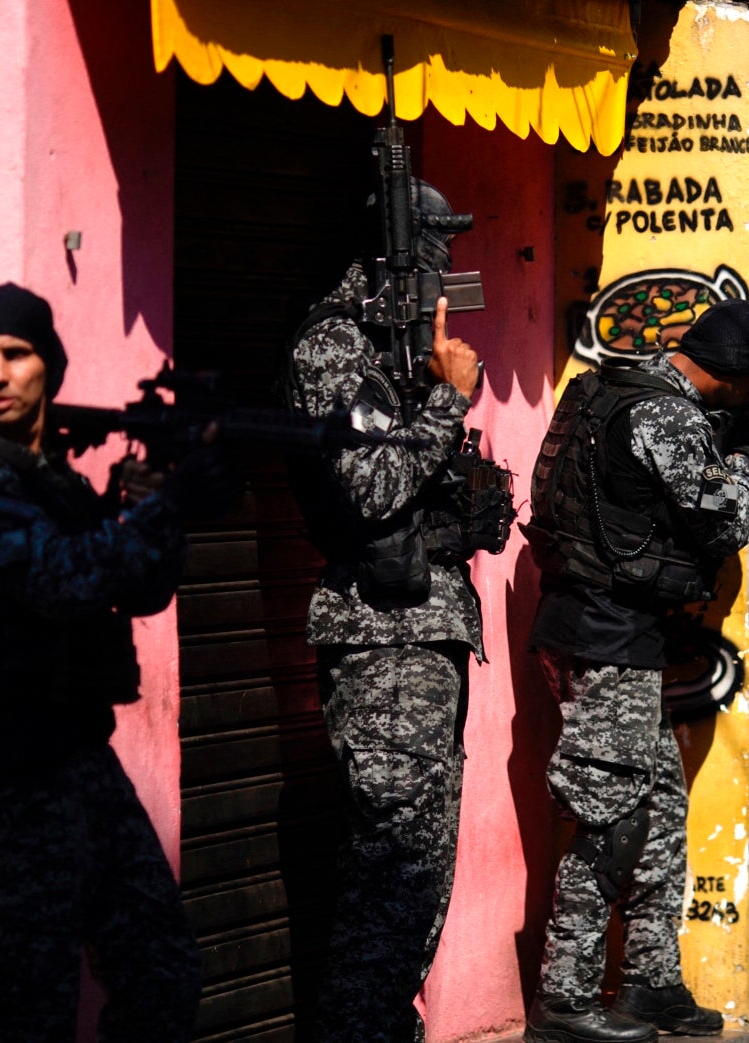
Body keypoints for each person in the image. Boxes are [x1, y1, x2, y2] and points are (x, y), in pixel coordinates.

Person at [0, 283, 226, 1041]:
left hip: (79, 759)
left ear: (50, 366)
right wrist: (162, 504)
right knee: (28, 1012)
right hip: (16, 777)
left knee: (161, 971)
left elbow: (138, 587)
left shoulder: (45, 480)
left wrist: (156, 497)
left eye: (16, 354)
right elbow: (58, 582)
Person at [522, 297, 749, 1043]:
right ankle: (564, 998)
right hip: (603, 634)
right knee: (610, 820)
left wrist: (729, 431)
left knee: (657, 812)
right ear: (732, 375)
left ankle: (650, 981)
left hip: (611, 631)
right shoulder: (663, 415)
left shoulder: (608, 385)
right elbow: (728, 519)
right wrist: (748, 451)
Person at [284, 204, 486, 1043]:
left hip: (424, 631)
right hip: (382, 638)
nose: (446, 268)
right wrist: (446, 402)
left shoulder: (391, 349)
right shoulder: (331, 348)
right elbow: (367, 490)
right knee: (389, 872)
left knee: (420, 874)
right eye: (435, 250)